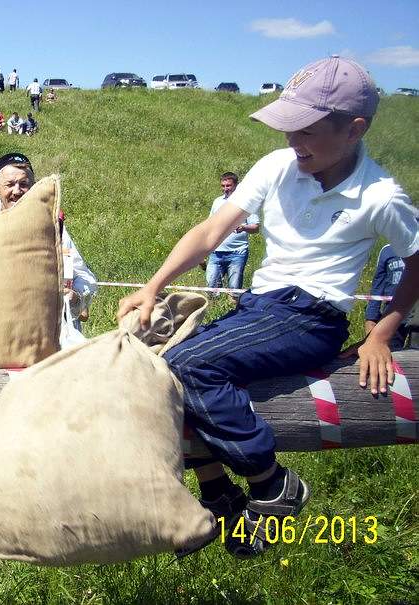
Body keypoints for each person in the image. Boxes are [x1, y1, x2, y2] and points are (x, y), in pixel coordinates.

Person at [116, 56, 419, 559]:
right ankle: (216, 489)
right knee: (156, 364)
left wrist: (381, 334)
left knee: (187, 366)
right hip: (261, 306)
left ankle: (272, 482)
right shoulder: (279, 167)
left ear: (354, 129)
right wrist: (154, 286)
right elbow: (213, 232)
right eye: (288, 129)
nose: (293, 142)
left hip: (311, 316)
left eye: (306, 131)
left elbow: (416, 261)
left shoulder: (380, 195)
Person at [0, 152, 98, 325]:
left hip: (50, 329)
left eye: (24, 184)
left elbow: (85, 279)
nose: (17, 191)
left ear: (34, 188)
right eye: (9, 184)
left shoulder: (54, 227)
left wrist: (75, 297)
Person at [204, 172, 259, 298]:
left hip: (237, 253)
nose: (225, 189)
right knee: (211, 290)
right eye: (223, 186)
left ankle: (233, 312)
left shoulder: (247, 202)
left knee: (234, 291)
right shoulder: (217, 202)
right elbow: (210, 225)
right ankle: (214, 312)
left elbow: (255, 227)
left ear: (236, 185)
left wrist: (243, 227)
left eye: (228, 186)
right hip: (216, 252)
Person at [365, 244, 414, 349]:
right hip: (392, 315)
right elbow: (377, 287)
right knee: (390, 354)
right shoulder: (387, 250)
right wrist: (371, 317)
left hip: (416, 318)